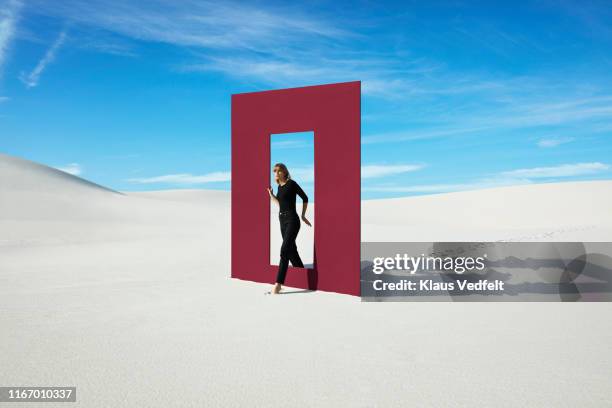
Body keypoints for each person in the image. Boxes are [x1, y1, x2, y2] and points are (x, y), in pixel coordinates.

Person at [266, 163, 312, 294]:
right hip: (282, 220)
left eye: (279, 171)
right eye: (275, 171)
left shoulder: (292, 184)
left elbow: (305, 197)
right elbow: (281, 204)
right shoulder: (279, 187)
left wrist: (303, 215)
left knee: (284, 249)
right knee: (291, 251)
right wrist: (271, 195)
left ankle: (278, 284)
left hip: (292, 220)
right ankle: (302, 274)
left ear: (284, 172)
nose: (277, 173)